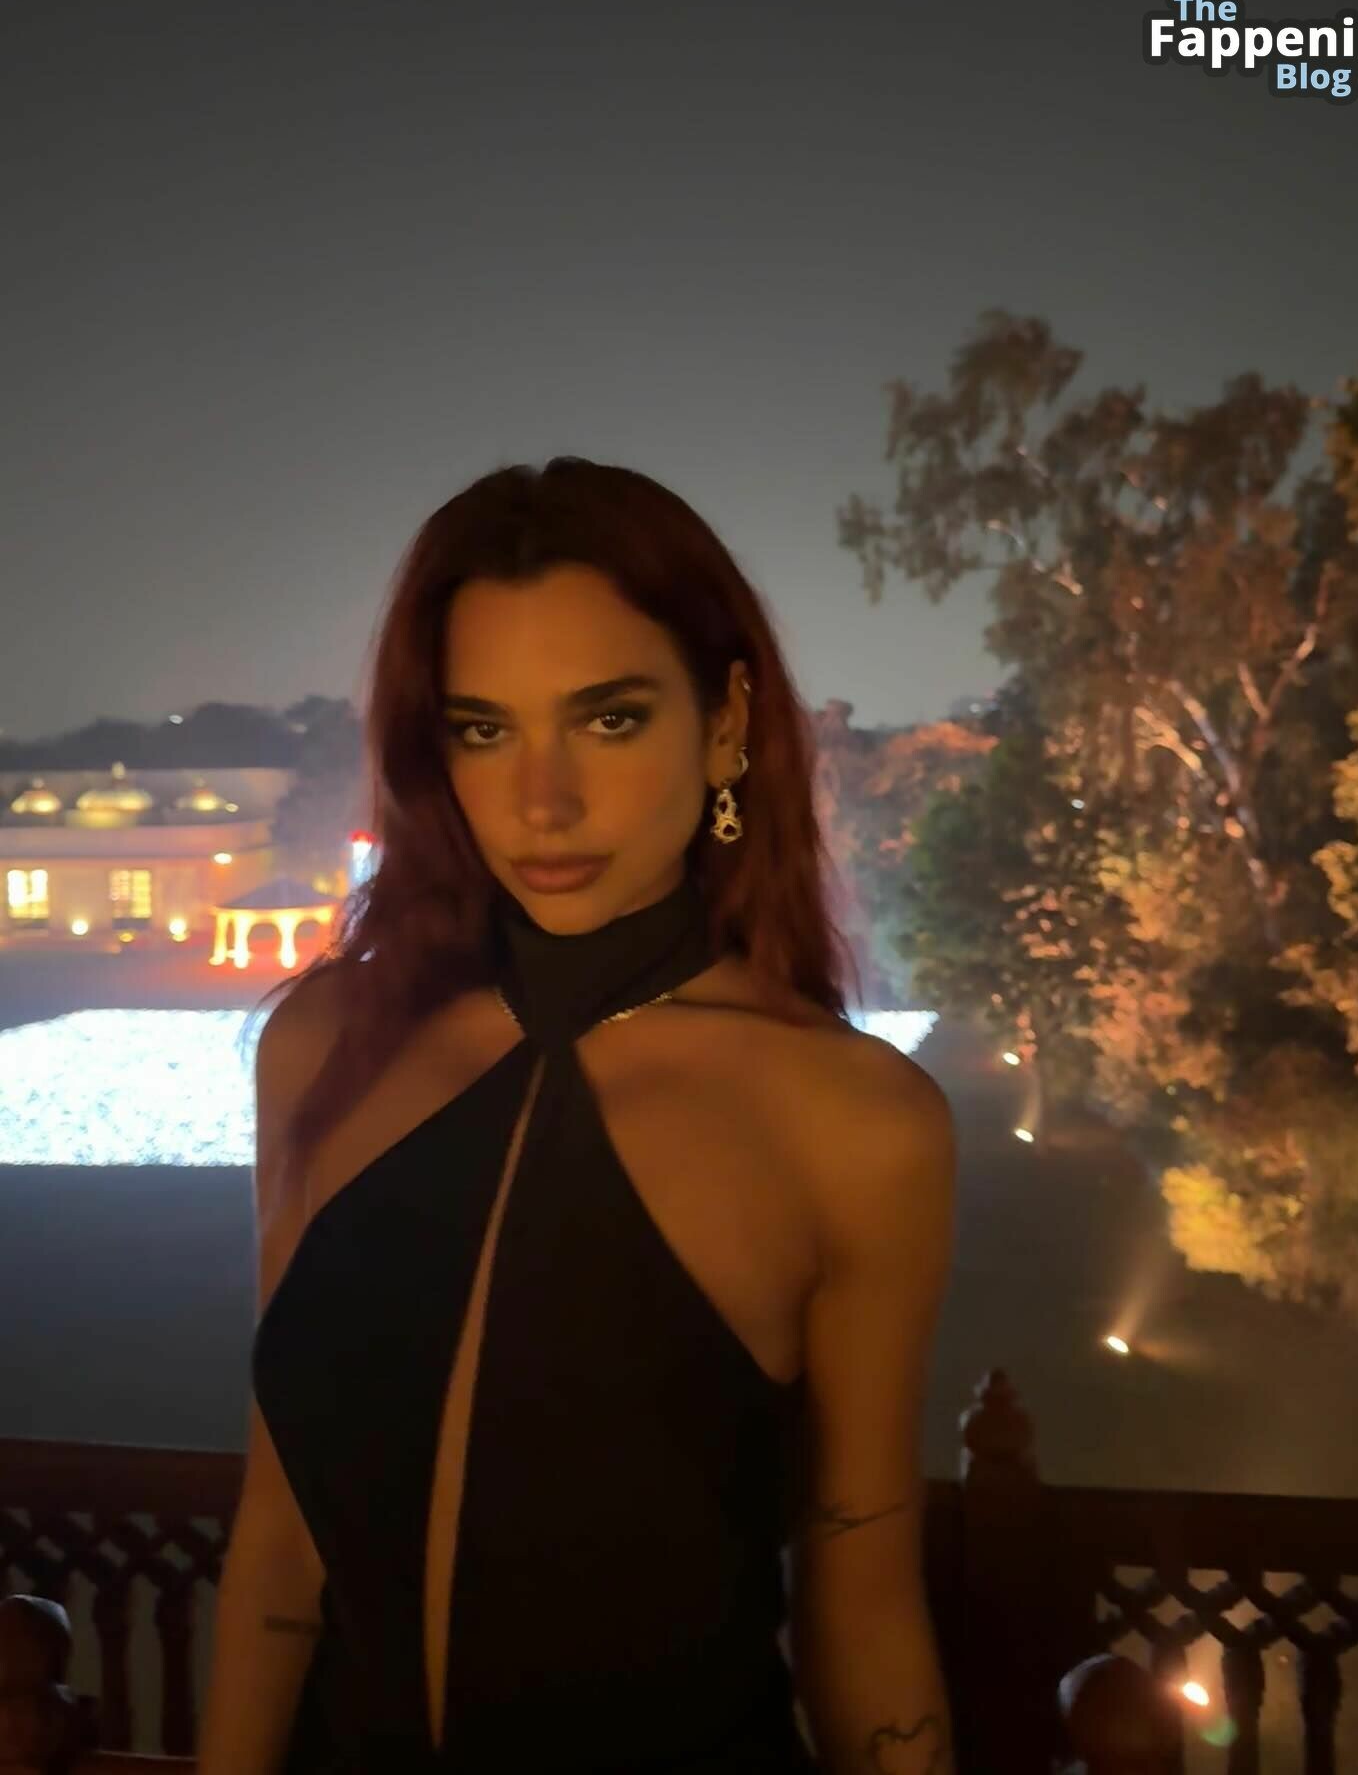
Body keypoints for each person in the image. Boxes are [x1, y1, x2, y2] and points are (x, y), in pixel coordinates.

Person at [197, 457, 958, 1773]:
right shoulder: (323, 1049)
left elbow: (864, 1608)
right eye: (483, 729)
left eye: (608, 719)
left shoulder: (853, 1123)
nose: (542, 802)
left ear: (726, 726)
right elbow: (279, 1542)